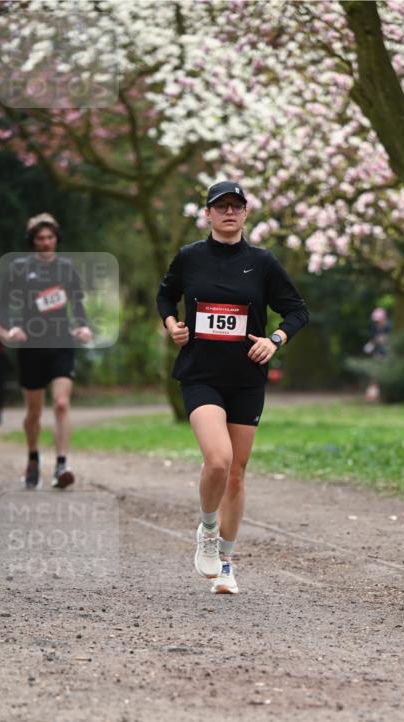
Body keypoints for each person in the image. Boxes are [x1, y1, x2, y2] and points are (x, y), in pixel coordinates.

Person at [156, 180, 309, 595]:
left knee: (237, 476)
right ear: (207, 213)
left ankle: (225, 564)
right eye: (220, 206)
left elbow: (297, 311)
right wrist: (173, 326)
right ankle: (207, 529)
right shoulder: (190, 258)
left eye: (236, 206)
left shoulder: (262, 263)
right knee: (219, 461)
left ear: (245, 213)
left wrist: (274, 340)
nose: (228, 212)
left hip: (245, 379)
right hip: (201, 374)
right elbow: (165, 297)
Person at [0, 213, 92, 488]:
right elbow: (5, 305)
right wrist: (14, 327)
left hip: (62, 342)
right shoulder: (19, 268)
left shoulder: (66, 268)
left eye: (50, 237)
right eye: (40, 238)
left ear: (57, 239)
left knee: (61, 404)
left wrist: (83, 326)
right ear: (32, 241)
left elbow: (78, 303)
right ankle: (33, 458)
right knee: (34, 411)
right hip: (31, 345)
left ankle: (62, 464)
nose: (46, 242)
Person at [363, 306, 391, 402]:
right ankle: (373, 395)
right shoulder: (375, 327)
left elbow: (390, 340)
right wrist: (370, 345)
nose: (377, 322)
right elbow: (374, 339)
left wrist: (384, 340)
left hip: (388, 353)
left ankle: (378, 395)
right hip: (378, 352)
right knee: (375, 373)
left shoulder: (389, 326)